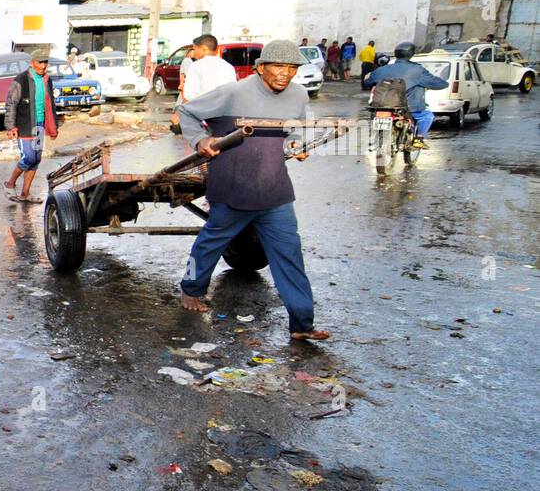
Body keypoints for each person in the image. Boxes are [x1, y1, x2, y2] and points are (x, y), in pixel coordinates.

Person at [175, 40, 328, 341]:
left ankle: (301, 323)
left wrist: (295, 142)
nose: (286, 74)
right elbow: (187, 111)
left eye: (293, 68)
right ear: (261, 67)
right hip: (233, 187)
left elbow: (296, 127)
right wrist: (199, 141)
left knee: (290, 256)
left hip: (274, 191)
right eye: (279, 67)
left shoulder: (297, 94)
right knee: (210, 244)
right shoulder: (234, 93)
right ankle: (191, 289)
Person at [361, 41, 449, 145]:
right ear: (411, 54)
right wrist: (445, 83)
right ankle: (418, 139)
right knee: (427, 116)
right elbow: (437, 84)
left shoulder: (381, 69)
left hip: (380, 105)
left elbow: (366, 82)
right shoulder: (417, 70)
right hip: (408, 107)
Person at [2, 47, 58, 201]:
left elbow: (51, 104)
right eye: (40, 62)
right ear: (32, 63)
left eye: (45, 62)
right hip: (25, 124)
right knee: (28, 158)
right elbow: (11, 104)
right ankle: (9, 183)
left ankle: (25, 193)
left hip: (40, 124)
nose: (43, 66)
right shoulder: (20, 80)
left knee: (37, 159)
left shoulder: (47, 80)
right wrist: (11, 127)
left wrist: (54, 127)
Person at [183, 35, 236, 103]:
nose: (194, 53)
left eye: (195, 49)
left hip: (201, 109)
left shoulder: (196, 66)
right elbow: (232, 93)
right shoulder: (229, 67)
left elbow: (188, 95)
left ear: (203, 48)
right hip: (223, 110)